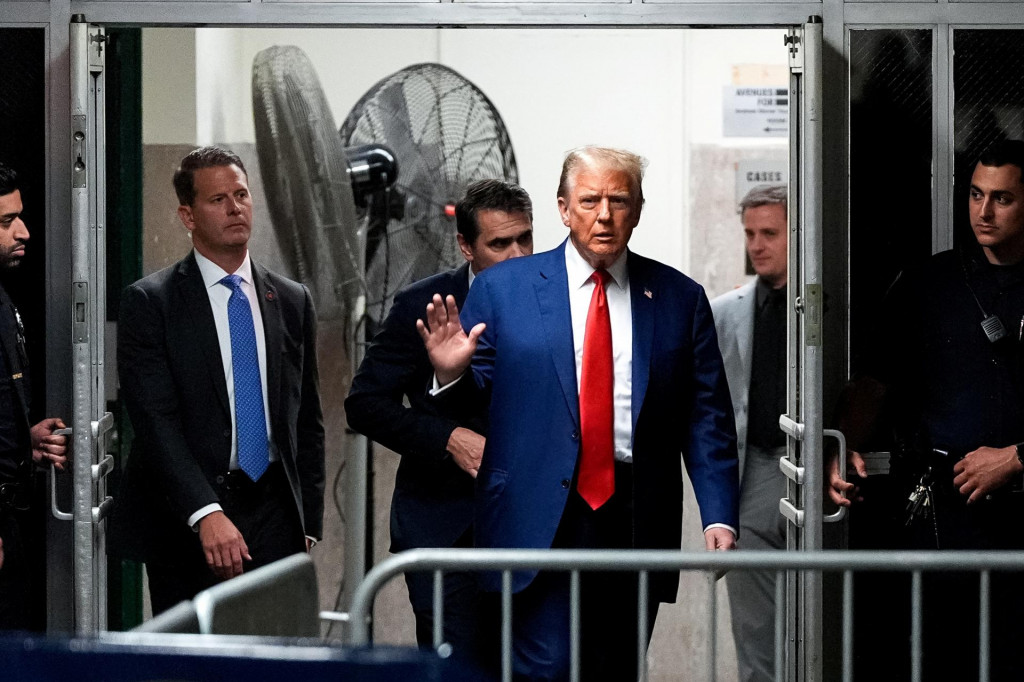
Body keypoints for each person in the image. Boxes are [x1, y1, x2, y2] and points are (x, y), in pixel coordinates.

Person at [420, 146, 739, 681]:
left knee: (614, 668)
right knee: (548, 666)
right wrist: (449, 374)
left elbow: (705, 415)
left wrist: (719, 512)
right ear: (564, 210)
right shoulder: (505, 289)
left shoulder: (680, 299)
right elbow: (474, 406)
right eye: (590, 200)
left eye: (619, 200)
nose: (604, 215)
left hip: (635, 511)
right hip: (536, 508)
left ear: (638, 209)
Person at [829, 139, 1024, 680]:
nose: (984, 212)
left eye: (1002, 199)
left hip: (1019, 506)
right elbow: (874, 381)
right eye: (976, 195)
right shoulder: (930, 282)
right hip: (947, 510)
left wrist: (1015, 458)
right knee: (941, 656)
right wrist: (837, 448)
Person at [110, 146, 325, 615]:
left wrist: (307, 521)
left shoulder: (291, 299)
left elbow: (306, 415)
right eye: (218, 200)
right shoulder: (152, 303)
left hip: (274, 510)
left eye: (242, 194)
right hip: (187, 514)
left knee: (274, 660)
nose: (235, 208)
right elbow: (154, 423)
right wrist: (205, 513)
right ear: (188, 215)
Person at [345, 180, 534, 657]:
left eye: (524, 239)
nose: (516, 255)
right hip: (444, 525)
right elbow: (365, 404)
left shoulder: (555, 302)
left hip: (530, 526)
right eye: (498, 244)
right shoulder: (423, 303)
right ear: (465, 246)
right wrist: (447, 437)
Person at [711, 184, 788, 682]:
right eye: (750, 234)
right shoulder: (728, 311)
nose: (757, 245)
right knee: (756, 626)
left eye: (769, 234)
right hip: (756, 467)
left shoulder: (830, 308)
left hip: (814, 464)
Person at [0, 162, 68, 630]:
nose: (24, 231)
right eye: (6, 222)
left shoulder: (4, 298)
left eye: (19, 217)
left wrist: (25, 441)